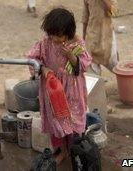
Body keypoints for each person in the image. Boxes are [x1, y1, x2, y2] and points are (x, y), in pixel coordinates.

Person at [27, 8, 92, 164]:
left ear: (69, 32)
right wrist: (42, 69)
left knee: (74, 121)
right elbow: (31, 59)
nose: (56, 39)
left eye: (60, 35)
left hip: (72, 91)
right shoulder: (44, 43)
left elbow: (84, 65)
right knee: (57, 122)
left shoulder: (77, 42)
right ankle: (62, 151)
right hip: (53, 89)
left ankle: (74, 150)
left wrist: (70, 55)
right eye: (53, 34)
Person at [82, 0, 118, 75]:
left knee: (115, 65)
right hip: (92, 36)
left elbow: (114, 12)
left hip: (107, 36)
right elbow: (85, 18)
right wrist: (83, 38)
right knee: (92, 68)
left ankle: (129, 83)